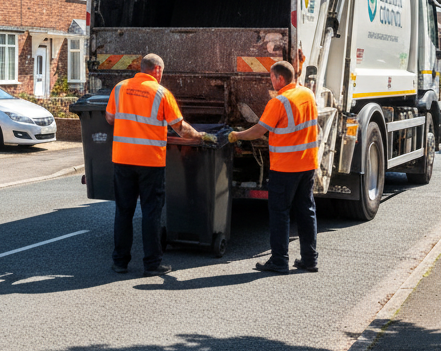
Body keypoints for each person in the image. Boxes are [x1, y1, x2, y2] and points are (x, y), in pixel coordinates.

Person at [106, 53, 205, 277]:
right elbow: (179, 128)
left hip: (122, 159)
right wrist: (198, 136)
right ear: (158, 71)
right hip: (150, 162)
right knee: (150, 212)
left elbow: (110, 118)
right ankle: (151, 264)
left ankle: (120, 262)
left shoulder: (119, 88)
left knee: (123, 211)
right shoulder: (161, 93)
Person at [228, 60, 319, 273]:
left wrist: (236, 135)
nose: (270, 81)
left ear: (279, 78)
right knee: (307, 211)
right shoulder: (307, 94)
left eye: (271, 77)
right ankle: (310, 259)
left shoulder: (279, 102)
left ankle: (279, 261)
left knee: (280, 213)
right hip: (307, 164)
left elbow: (259, 130)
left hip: (285, 168)